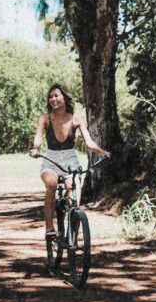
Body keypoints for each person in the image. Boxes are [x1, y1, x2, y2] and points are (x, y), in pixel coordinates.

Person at [28, 84, 110, 238]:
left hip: (70, 160)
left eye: (56, 96)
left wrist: (103, 152)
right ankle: (50, 227)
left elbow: (89, 142)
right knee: (51, 184)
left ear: (65, 98)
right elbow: (38, 137)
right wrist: (35, 148)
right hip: (51, 160)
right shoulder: (45, 119)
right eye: (50, 96)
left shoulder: (76, 118)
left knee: (74, 197)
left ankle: (72, 235)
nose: (53, 99)